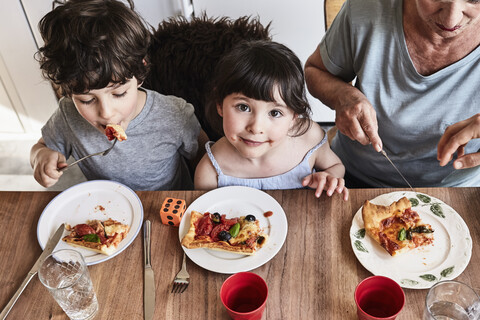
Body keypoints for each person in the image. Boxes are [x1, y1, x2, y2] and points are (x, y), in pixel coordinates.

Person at [30, 0, 206, 190]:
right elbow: (41, 147)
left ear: (140, 72)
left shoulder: (174, 115)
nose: (106, 113)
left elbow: (204, 157)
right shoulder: (67, 116)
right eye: (87, 100)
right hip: (108, 210)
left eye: (119, 93)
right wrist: (41, 157)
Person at [304, 0, 480, 187]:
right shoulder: (365, 7)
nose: (451, 20)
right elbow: (315, 71)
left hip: (461, 190)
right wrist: (342, 96)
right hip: (353, 179)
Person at [194, 40, 349, 200]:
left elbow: (335, 166)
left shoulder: (309, 139)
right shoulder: (210, 172)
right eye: (243, 107)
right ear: (220, 105)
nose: (256, 127)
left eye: (275, 113)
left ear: (294, 116)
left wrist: (329, 177)